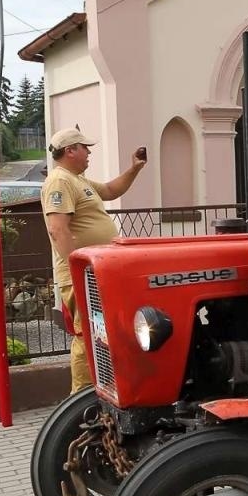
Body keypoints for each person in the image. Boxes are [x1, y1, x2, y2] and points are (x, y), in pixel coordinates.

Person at [42, 128, 147, 393]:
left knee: (97, 332)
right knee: (86, 333)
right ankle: (80, 399)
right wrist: (77, 272)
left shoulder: (79, 180)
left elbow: (111, 190)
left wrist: (135, 168)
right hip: (83, 275)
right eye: (85, 147)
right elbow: (58, 229)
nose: (89, 152)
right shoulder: (60, 181)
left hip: (95, 273)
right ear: (70, 151)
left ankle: (98, 390)